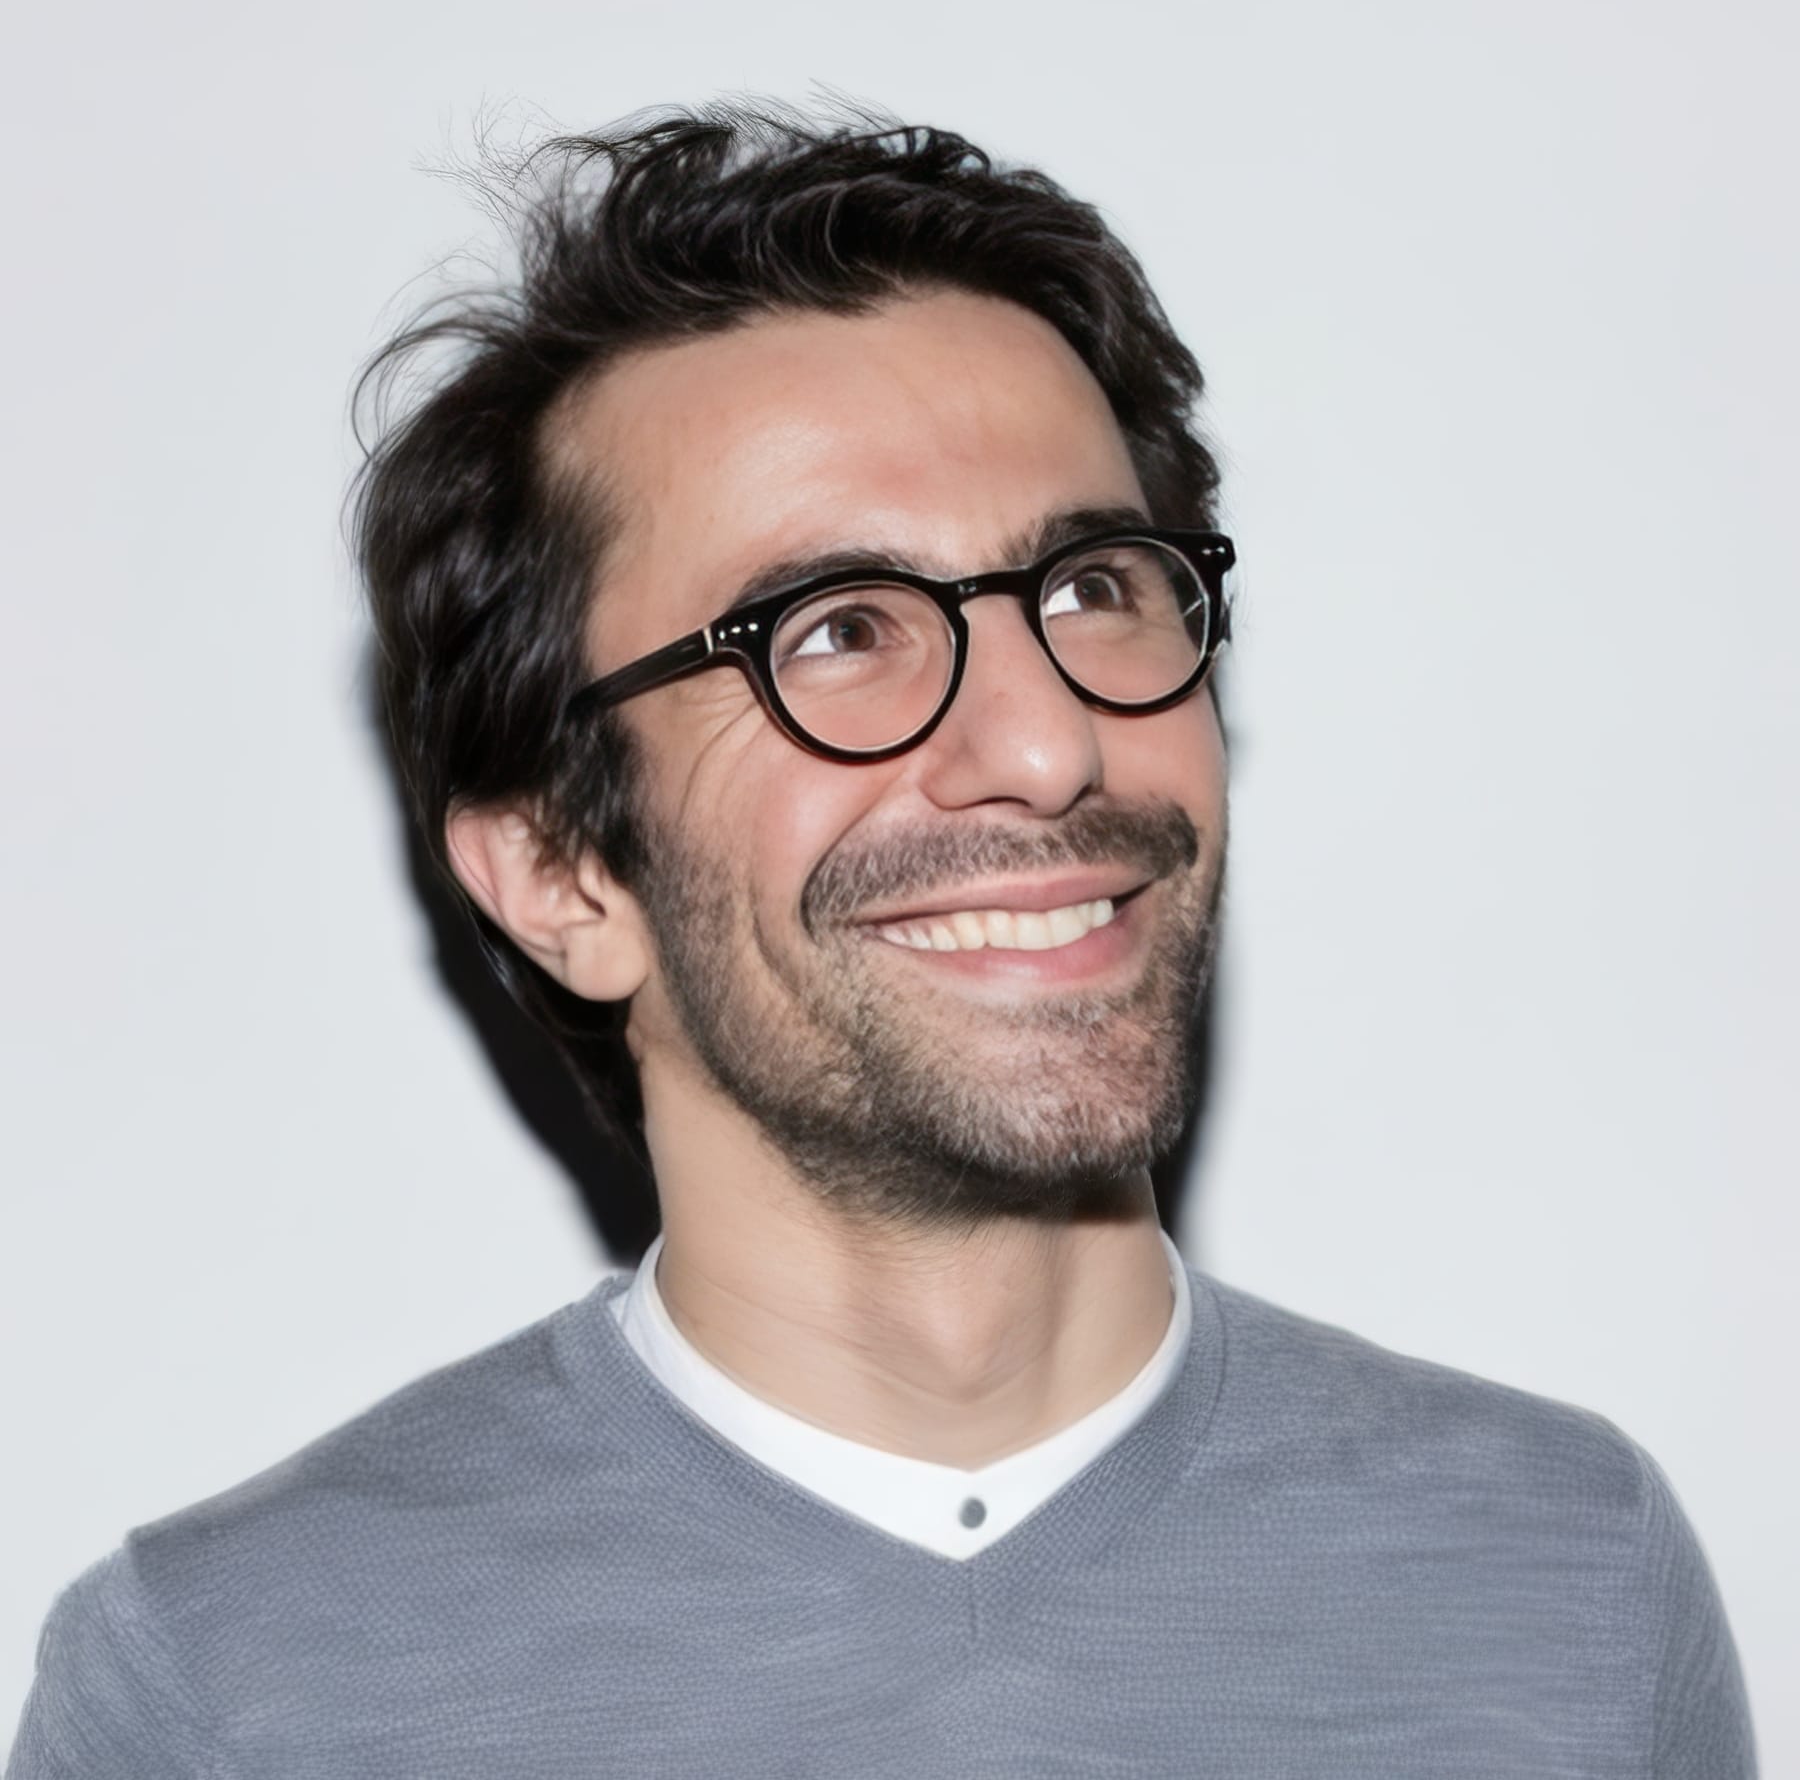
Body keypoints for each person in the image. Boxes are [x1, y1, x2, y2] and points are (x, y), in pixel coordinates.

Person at [7, 105, 1755, 1778]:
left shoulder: (1568, 1582)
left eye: (1093, 590)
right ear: (562, 876)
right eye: (837, 630)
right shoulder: (241, 1690)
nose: (1048, 744)